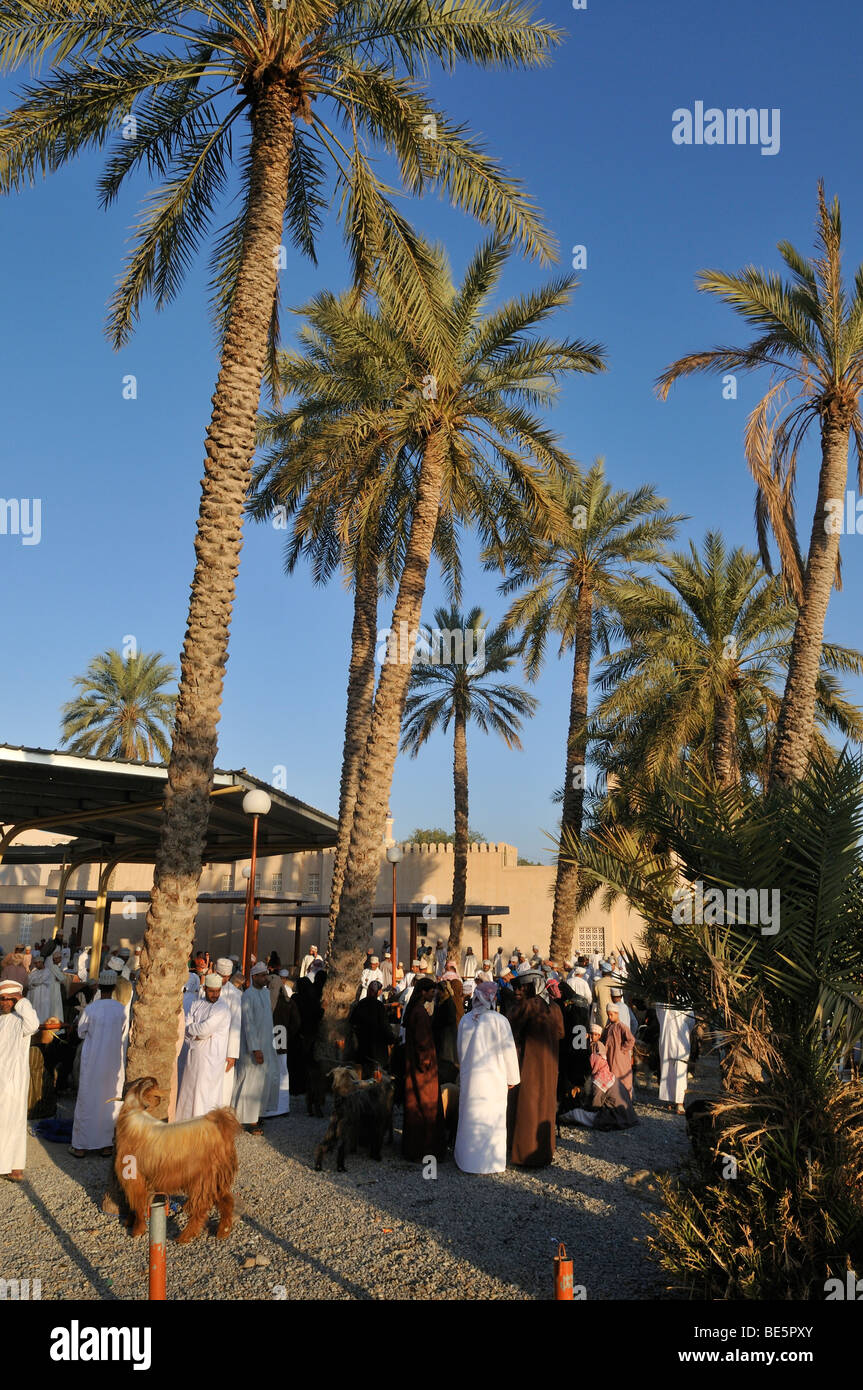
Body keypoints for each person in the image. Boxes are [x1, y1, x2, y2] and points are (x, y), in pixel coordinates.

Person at [454, 980, 519, 1174]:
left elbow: (460, 1051)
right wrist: (512, 1078)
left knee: (469, 1117)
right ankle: (492, 1162)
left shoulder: (465, 1020)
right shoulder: (500, 1021)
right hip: (495, 1079)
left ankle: (467, 1160)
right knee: (492, 1119)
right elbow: (509, 1052)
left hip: (471, 1078)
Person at [506, 974, 564, 1167]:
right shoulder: (554, 1007)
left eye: (523, 987)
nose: (519, 991)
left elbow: (510, 1027)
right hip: (550, 1063)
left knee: (528, 1104)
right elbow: (561, 1033)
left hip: (530, 1062)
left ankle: (526, 1153)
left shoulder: (529, 1005)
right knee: (545, 1103)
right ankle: (544, 1151)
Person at [71, 970, 128, 1156]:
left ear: (100, 987)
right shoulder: (121, 1010)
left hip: (93, 1063)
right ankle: (106, 1145)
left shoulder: (91, 1009)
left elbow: (81, 1032)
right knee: (109, 1102)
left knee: (88, 1101)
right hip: (112, 1064)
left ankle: (80, 1147)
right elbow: (123, 1033)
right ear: (113, 988)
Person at [175, 974, 231, 1120]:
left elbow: (204, 1030)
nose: (215, 995)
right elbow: (187, 1027)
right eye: (211, 991)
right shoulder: (196, 1004)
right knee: (188, 1091)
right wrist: (196, 1033)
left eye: (217, 991)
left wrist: (196, 1031)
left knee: (205, 1095)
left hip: (211, 1060)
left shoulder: (222, 1008)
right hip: (193, 1056)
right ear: (205, 989)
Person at [561, 1024, 638, 1130]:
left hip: (615, 1117)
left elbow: (595, 1105)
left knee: (577, 1114)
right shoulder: (609, 1074)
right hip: (629, 1116)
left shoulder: (599, 1080)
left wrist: (584, 1106)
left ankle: (562, 1118)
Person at [401, 977, 445, 1162]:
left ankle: (415, 1147)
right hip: (423, 1068)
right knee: (424, 1105)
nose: (433, 993)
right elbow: (422, 1042)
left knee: (416, 1104)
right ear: (422, 992)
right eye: (430, 990)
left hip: (417, 1064)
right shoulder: (419, 1012)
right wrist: (426, 1064)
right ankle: (425, 1149)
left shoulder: (417, 1010)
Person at [232, 962, 280, 1132]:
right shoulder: (248, 996)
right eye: (262, 975)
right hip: (252, 1049)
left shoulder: (266, 994)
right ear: (254, 977)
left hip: (266, 1044)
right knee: (250, 1083)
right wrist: (255, 1048)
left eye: (266, 974)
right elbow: (248, 1024)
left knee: (263, 1082)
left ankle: (257, 1115)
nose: (265, 978)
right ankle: (249, 1121)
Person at [0, 980, 40, 1179]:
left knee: (14, 1120)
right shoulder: (2, 1020)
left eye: (7, 999)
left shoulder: (22, 1021)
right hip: (1, 1077)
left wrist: (21, 1001)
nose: (4, 1003)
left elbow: (34, 1024)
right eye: (1, 999)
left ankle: (15, 1167)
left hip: (15, 1079)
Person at [656, 1001, 697, 1113]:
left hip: (680, 1040)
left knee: (680, 1069)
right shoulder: (660, 1000)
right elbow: (691, 1022)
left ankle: (678, 1102)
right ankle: (670, 1099)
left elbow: (690, 1020)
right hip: (668, 1038)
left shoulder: (684, 999)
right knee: (667, 1068)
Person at [350, 980, 394, 1078]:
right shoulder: (379, 1006)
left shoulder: (360, 1004)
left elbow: (353, 1022)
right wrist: (391, 1039)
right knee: (376, 1078)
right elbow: (384, 1026)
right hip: (376, 1050)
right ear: (378, 992)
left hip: (363, 1047)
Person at [215, 957, 243, 1106]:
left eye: (226, 977)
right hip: (209, 1045)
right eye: (221, 976)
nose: (223, 979)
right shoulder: (205, 990)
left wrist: (232, 1054)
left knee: (224, 1084)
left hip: (225, 1046)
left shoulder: (235, 994)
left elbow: (236, 1024)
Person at [602, 1002, 636, 1097]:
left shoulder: (622, 1026)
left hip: (620, 1059)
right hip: (610, 1057)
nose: (609, 1017)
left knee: (622, 1078)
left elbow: (631, 1040)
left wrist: (622, 1050)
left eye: (611, 1014)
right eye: (608, 1014)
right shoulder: (609, 1027)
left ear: (617, 1014)